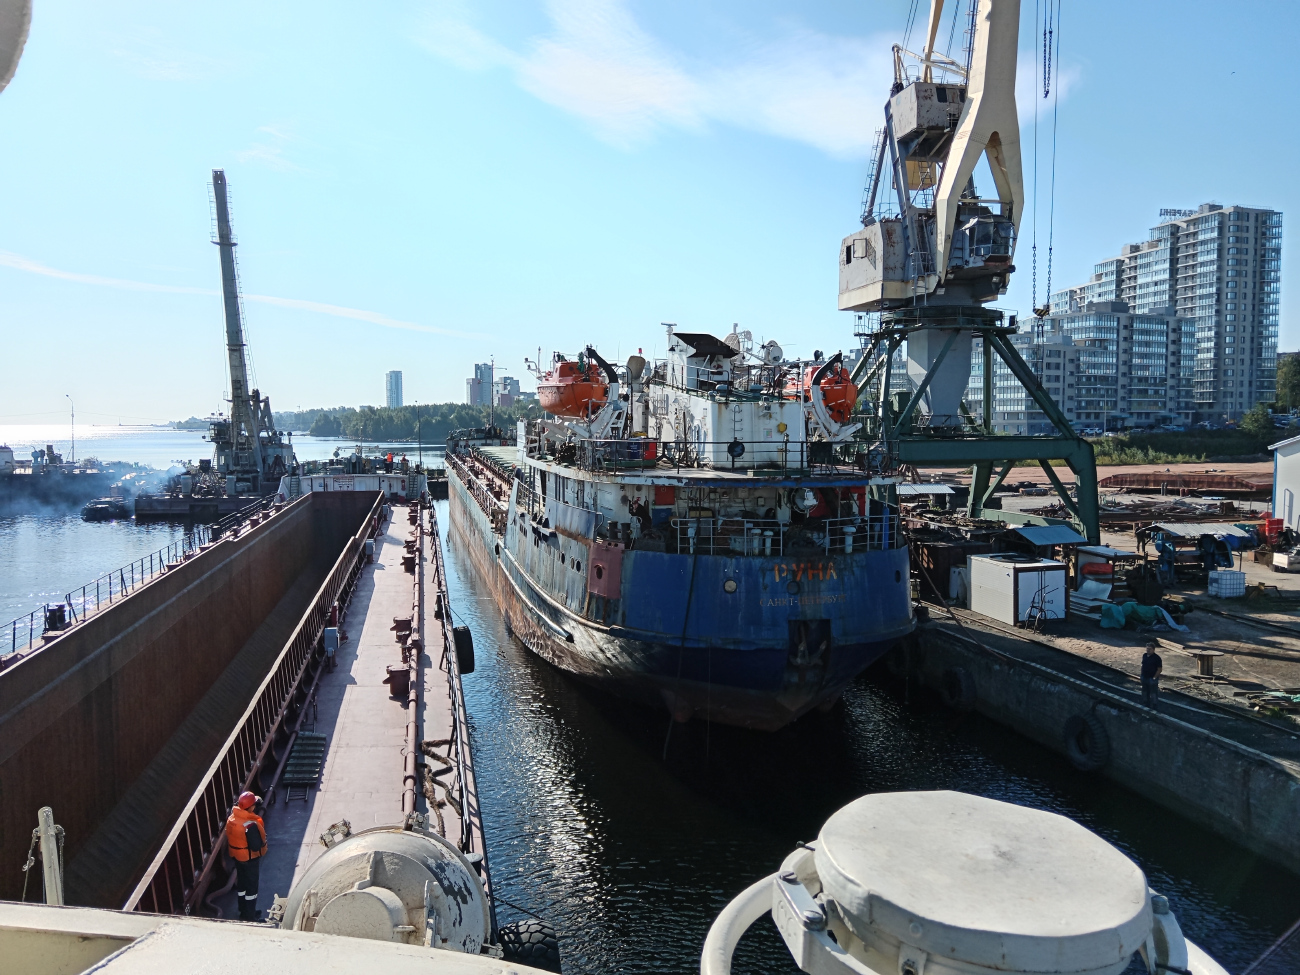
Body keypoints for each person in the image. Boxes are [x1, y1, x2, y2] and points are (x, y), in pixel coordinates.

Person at [225, 791, 267, 921]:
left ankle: (242, 910)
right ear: (251, 807)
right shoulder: (250, 824)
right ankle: (250, 916)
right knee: (251, 889)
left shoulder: (232, 819)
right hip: (250, 859)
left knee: (242, 885)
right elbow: (255, 846)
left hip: (238, 857)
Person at [1140, 640, 1162, 711]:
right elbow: (1143, 665)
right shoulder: (1144, 655)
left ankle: (1154, 706)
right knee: (1145, 691)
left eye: (1149, 649)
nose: (1148, 650)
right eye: (1147, 648)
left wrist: (1154, 678)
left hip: (1152, 678)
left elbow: (1159, 669)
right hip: (1144, 677)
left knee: (1153, 693)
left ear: (1153, 649)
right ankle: (1145, 703)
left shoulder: (1157, 658)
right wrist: (1141, 675)